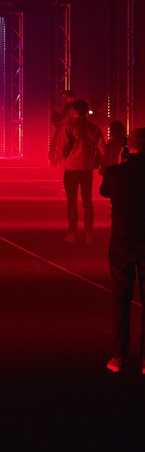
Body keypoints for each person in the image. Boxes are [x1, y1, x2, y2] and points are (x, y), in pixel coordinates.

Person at [100, 127, 145, 374]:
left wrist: (120, 163)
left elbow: (104, 191)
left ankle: (118, 356)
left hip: (122, 241)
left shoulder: (116, 173)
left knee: (120, 299)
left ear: (131, 146)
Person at [53, 99, 107, 243]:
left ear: (74, 112)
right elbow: (103, 149)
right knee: (87, 202)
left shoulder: (68, 126)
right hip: (87, 169)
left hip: (71, 168)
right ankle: (89, 233)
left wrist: (61, 160)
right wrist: (96, 162)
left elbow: (64, 146)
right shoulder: (94, 128)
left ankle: (73, 233)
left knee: (72, 202)